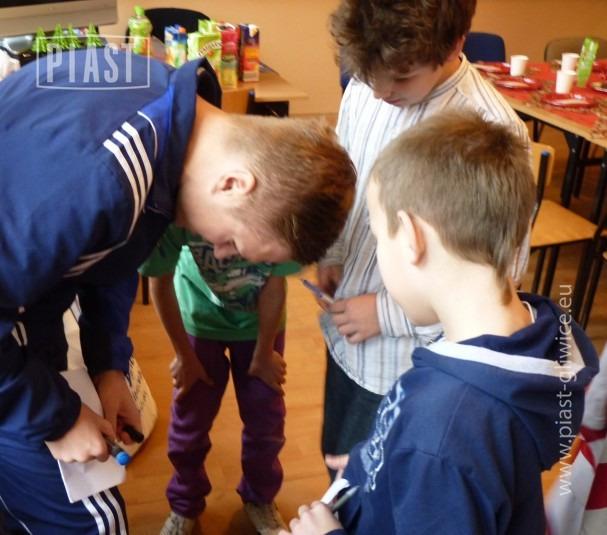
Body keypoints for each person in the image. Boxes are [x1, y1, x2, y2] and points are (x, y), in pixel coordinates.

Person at [0, 47, 355, 534]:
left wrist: (107, 365)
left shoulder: (173, 117)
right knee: (96, 523)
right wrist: (53, 417)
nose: (222, 255)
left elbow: (116, 247)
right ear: (234, 184)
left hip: (25, 307)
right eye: (234, 242)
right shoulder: (105, 176)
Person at [281, 111, 599, 535]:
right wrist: (379, 460)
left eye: (378, 236)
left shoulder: (442, 437)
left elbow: (444, 463)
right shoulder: (533, 336)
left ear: (412, 237)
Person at [318, 0, 531, 472]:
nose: (380, 93)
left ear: (454, 44)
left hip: (405, 364)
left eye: (402, 77)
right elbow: (346, 172)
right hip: (347, 338)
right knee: (339, 465)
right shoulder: (367, 86)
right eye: (368, 75)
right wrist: (334, 250)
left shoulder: (492, 133)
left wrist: (385, 313)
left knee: (378, 484)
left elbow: (496, 282)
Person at [139, 227, 298, 535]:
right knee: (189, 420)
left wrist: (264, 353)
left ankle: (260, 498)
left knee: (265, 418)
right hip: (198, 320)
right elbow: (159, 281)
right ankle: (184, 504)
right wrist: (184, 355)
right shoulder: (180, 212)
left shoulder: (278, 211)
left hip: (261, 326)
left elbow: (275, 283)